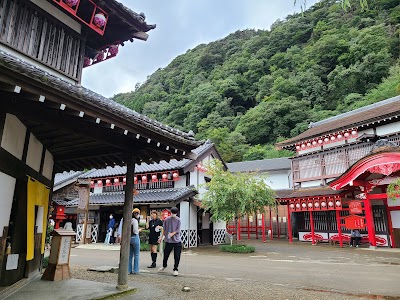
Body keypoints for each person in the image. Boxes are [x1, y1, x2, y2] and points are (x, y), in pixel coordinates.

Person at [158, 207, 181, 276]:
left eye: (174, 213)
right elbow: (164, 229)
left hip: (177, 241)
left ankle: (175, 269)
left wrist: (172, 234)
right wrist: (161, 238)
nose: (173, 214)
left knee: (177, 256)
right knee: (166, 254)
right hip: (169, 241)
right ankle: (164, 265)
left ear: (176, 213)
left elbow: (178, 230)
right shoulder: (167, 219)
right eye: (172, 213)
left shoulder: (178, 220)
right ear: (170, 212)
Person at [128, 208, 141, 274]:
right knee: (136, 254)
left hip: (129, 238)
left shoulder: (129, 220)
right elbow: (135, 231)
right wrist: (139, 230)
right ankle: (136, 270)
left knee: (130, 255)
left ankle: (128, 270)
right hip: (135, 237)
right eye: (137, 213)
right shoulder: (135, 221)